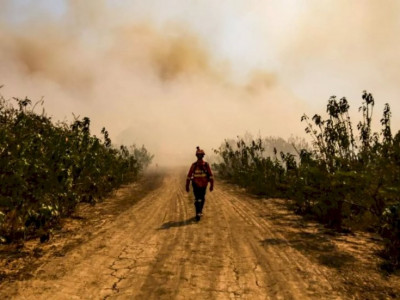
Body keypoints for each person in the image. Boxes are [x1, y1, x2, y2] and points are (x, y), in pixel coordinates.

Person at [186, 146, 214, 221]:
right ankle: (199, 211)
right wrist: (211, 185)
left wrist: (187, 186)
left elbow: (189, 176)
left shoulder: (194, 165)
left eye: (199, 155)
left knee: (198, 198)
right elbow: (211, 176)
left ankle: (198, 211)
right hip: (202, 185)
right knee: (201, 198)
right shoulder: (205, 165)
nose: (199, 156)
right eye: (199, 155)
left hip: (196, 185)